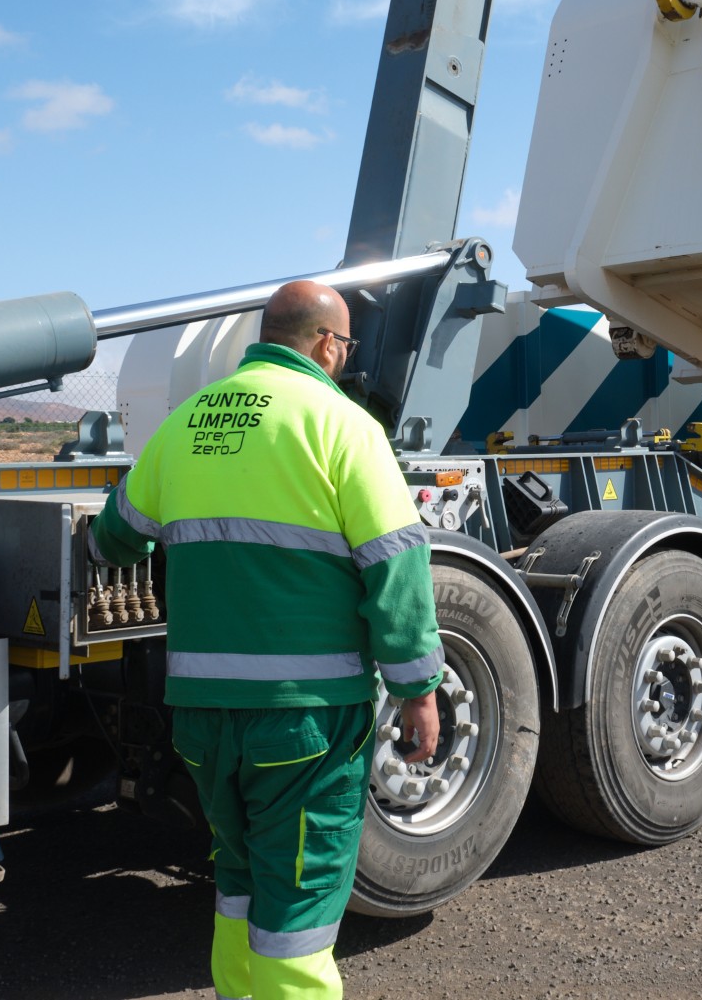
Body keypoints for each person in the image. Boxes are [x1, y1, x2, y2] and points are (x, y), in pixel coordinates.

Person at [89, 280, 443, 1000]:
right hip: (303, 716)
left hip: (202, 715)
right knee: (301, 903)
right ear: (323, 343)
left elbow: (113, 538)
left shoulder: (187, 421)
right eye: (343, 345)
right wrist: (418, 689)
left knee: (240, 877)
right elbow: (397, 567)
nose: (343, 358)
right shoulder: (342, 426)